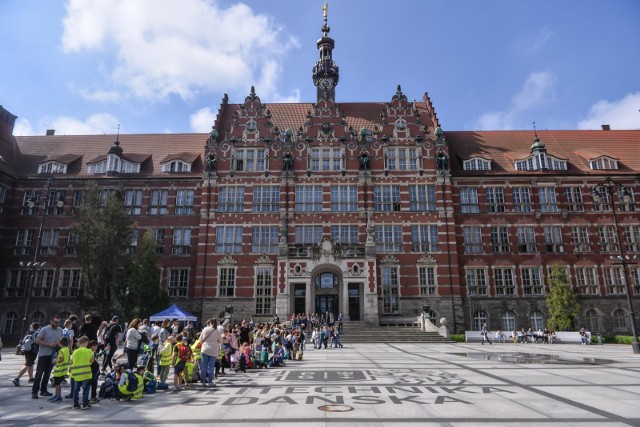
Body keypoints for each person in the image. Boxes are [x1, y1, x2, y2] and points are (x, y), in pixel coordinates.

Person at [32, 316, 63, 399]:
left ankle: (43, 390)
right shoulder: (44, 329)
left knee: (47, 374)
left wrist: (58, 343)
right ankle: (34, 392)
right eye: (55, 322)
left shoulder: (60, 330)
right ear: (51, 321)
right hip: (43, 354)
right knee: (39, 374)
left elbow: (61, 340)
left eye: (58, 322)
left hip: (53, 355)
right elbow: (37, 340)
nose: (57, 324)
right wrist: (49, 344)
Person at [69, 336, 94, 410]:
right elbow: (92, 361)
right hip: (86, 374)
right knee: (85, 389)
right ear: (86, 342)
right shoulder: (89, 351)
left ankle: (75, 404)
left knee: (76, 389)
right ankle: (84, 404)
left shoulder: (75, 351)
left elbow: (71, 362)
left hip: (76, 374)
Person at [13, 322, 40, 386]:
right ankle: (17, 378)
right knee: (28, 364)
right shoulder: (37, 333)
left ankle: (31, 378)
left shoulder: (29, 333)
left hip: (26, 350)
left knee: (31, 363)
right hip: (33, 350)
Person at [200, 318, 223, 387]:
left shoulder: (205, 329)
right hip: (213, 350)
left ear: (210, 322)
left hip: (205, 349)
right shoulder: (217, 331)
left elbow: (200, 340)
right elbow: (220, 341)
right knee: (211, 366)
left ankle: (203, 382)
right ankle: (210, 382)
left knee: (204, 366)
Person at [50, 336, 70, 402]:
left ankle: (58, 396)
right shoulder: (67, 349)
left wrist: (55, 361)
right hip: (64, 370)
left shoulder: (61, 351)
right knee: (58, 384)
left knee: (57, 384)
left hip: (59, 370)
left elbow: (61, 359)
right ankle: (57, 395)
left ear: (59, 343)